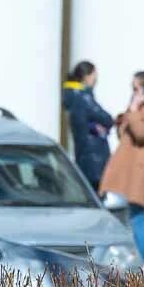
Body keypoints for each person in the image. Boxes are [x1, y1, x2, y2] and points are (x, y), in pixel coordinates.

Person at [99, 71, 144, 267]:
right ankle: (126, 262)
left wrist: (134, 110)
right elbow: (122, 134)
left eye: (136, 88)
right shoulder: (138, 108)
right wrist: (131, 111)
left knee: (138, 217)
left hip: (140, 171)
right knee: (120, 214)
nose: (134, 93)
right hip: (126, 169)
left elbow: (142, 133)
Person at [61, 61, 115, 191]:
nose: (96, 80)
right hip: (94, 154)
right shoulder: (84, 98)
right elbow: (106, 119)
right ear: (86, 76)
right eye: (94, 75)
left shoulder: (72, 96)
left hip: (83, 152)